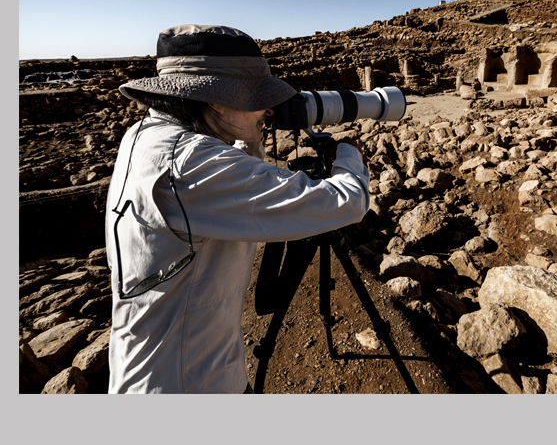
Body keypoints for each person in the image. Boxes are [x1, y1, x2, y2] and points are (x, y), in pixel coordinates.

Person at [104, 24, 370, 393]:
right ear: (213, 99)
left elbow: (227, 173)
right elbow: (345, 202)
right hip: (191, 386)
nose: (268, 108)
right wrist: (349, 156)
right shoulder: (191, 163)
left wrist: (248, 134)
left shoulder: (145, 136)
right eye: (256, 96)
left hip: (156, 370)